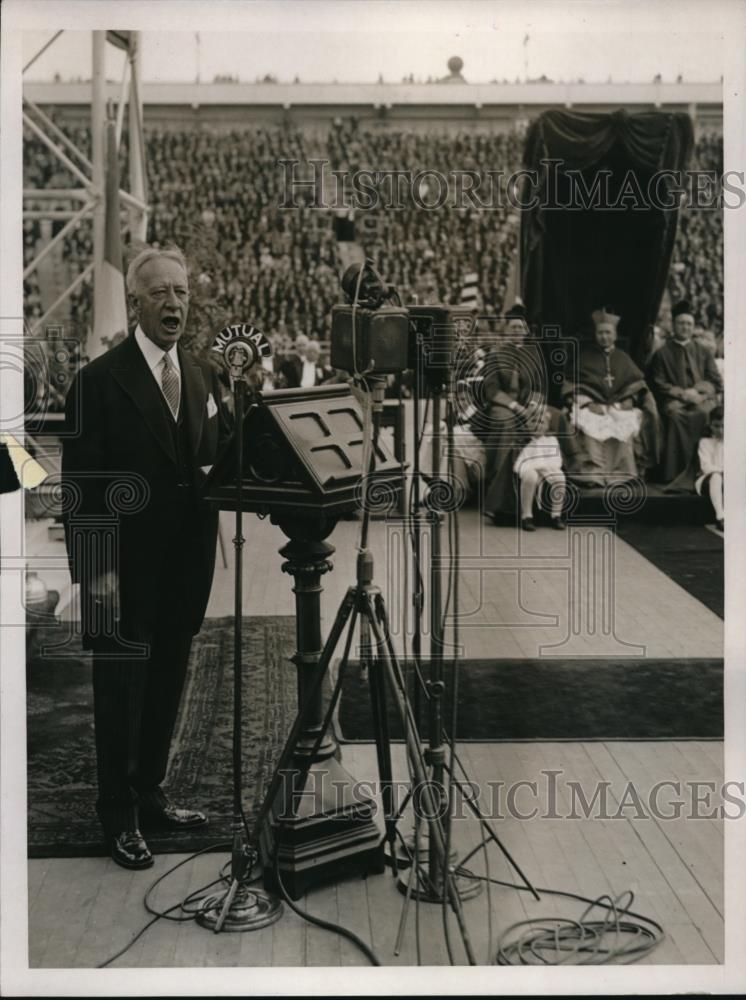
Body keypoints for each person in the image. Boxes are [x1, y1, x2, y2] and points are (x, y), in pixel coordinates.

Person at [61, 246, 230, 870]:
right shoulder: (98, 382)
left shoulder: (202, 374)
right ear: (135, 303)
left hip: (185, 566)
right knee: (120, 690)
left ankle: (150, 791)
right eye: (160, 292)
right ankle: (118, 812)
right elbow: (81, 490)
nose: (174, 303)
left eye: (181, 292)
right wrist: (95, 578)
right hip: (121, 571)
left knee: (167, 680)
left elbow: (218, 456)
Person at [476, 303, 578, 521]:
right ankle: (502, 495)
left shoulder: (533, 354)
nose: (517, 331)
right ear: (506, 329)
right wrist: (515, 407)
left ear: (526, 330)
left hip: (527, 404)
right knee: (506, 423)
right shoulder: (495, 354)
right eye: (513, 327)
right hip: (502, 406)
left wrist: (534, 406)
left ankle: (567, 473)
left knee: (557, 416)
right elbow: (491, 390)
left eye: (521, 328)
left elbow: (539, 386)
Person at [562, 308, 660, 487]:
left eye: (608, 333)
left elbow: (637, 384)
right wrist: (588, 403)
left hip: (618, 405)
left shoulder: (623, 358)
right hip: (592, 405)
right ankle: (593, 475)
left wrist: (630, 399)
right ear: (595, 335)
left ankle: (622, 475)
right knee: (589, 423)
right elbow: (571, 385)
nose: (604, 337)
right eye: (600, 333)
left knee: (625, 423)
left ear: (614, 335)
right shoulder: (584, 357)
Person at [648, 299, 723, 486]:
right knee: (675, 417)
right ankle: (674, 475)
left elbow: (715, 380)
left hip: (701, 400)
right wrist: (682, 394)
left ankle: (705, 470)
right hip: (674, 401)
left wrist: (699, 392)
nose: (685, 327)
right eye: (681, 323)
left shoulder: (703, 351)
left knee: (704, 414)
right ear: (673, 325)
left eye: (689, 324)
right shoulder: (661, 353)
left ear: (693, 326)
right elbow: (657, 382)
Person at [513, 408, 567, 531]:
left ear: (547, 426)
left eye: (542, 422)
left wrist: (542, 467)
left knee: (560, 477)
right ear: (527, 424)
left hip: (547, 468)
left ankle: (556, 515)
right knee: (531, 476)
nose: (537, 425)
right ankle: (527, 515)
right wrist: (536, 467)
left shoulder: (551, 441)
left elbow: (556, 461)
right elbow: (519, 463)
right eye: (533, 421)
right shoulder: (523, 441)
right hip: (528, 468)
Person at [695, 405, 724, 532]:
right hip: (709, 480)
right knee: (716, 476)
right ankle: (720, 517)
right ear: (710, 426)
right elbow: (706, 466)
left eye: (724, 426)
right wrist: (722, 472)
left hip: (729, 479)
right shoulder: (705, 442)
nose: (721, 430)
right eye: (716, 426)